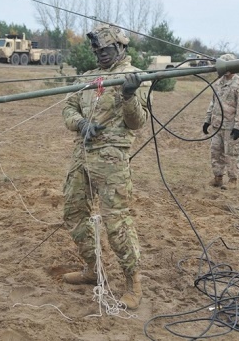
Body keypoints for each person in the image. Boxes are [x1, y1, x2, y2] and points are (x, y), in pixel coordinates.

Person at [61, 23, 149, 310]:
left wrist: (128, 95)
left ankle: (132, 282)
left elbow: (137, 122)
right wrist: (81, 123)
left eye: (107, 49)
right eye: (97, 50)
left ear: (121, 48)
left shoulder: (133, 77)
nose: (101, 54)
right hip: (82, 155)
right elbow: (68, 108)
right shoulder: (88, 77)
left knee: (116, 222)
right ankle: (91, 268)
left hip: (111, 160)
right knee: (74, 212)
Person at [202, 54, 239, 190]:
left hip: (231, 126)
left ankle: (233, 180)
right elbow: (213, 102)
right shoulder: (218, 83)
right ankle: (218, 178)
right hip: (217, 125)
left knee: (232, 154)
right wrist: (207, 120)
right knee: (216, 152)